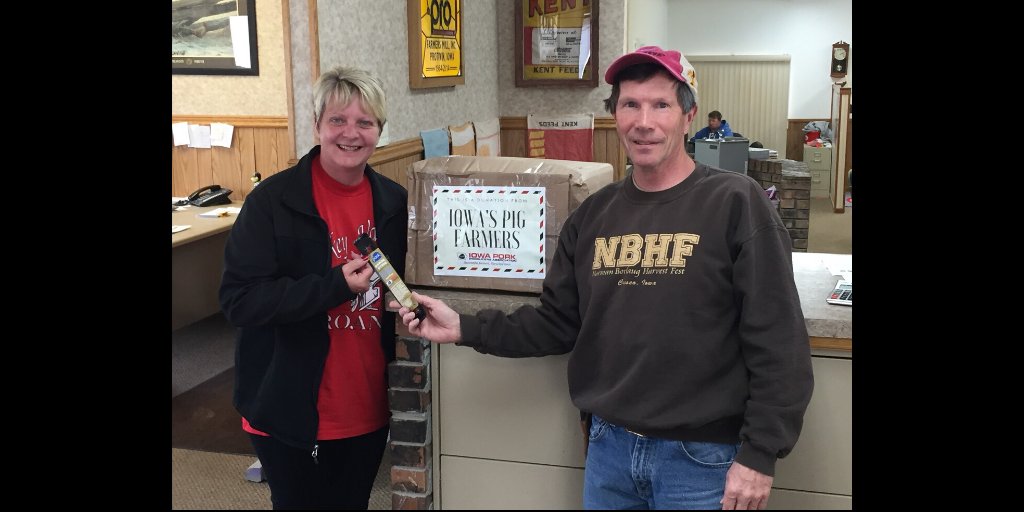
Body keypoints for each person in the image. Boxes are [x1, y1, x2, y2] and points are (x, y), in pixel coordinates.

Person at [392, 46, 813, 510]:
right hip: (609, 453)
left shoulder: (736, 202)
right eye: (630, 104)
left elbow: (778, 340)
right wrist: (465, 327)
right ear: (615, 115)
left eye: (661, 105)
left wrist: (759, 454)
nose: (644, 121)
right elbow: (558, 322)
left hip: (702, 459)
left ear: (688, 116)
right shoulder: (593, 215)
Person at [220, 66, 407, 510]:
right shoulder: (272, 202)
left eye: (365, 122)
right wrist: (333, 285)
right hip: (285, 402)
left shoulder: (396, 202)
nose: (351, 133)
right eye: (338, 120)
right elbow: (238, 300)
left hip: (365, 403)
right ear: (317, 125)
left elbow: (400, 291)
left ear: (380, 130)